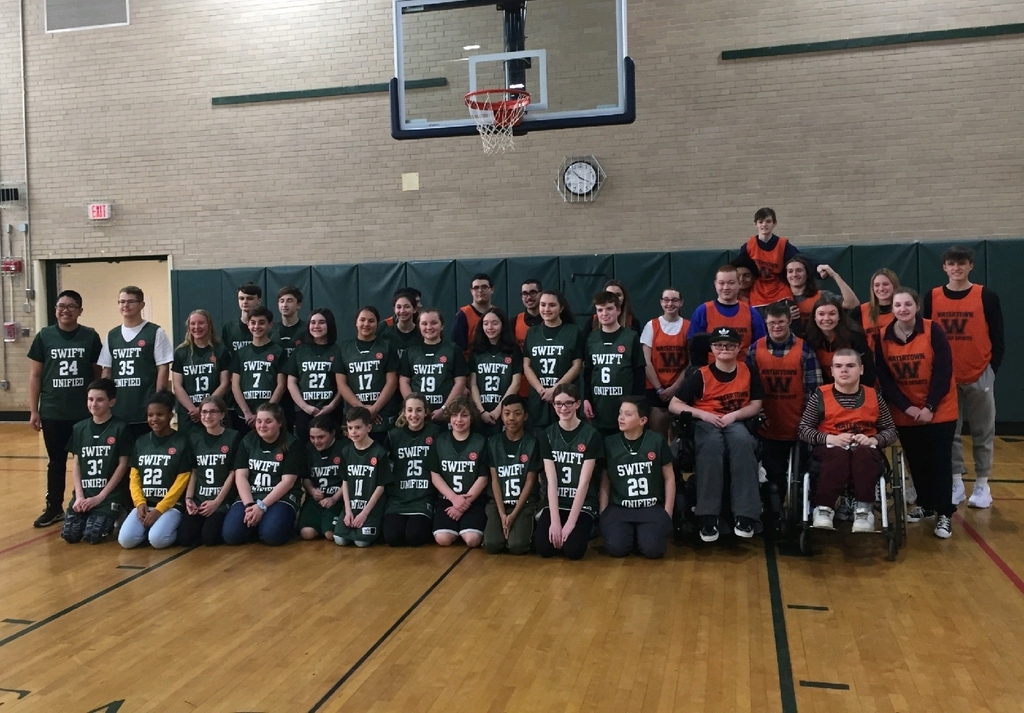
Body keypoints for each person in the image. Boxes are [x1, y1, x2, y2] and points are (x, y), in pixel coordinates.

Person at [924, 246, 1004, 509]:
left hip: (979, 373)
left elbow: (998, 338)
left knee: (983, 431)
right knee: (950, 433)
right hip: (945, 377)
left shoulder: (986, 296)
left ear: (971, 265)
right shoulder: (932, 297)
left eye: (961, 263)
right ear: (944, 267)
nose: (956, 268)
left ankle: (982, 484)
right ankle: (956, 482)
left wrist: (989, 370)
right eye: (951, 264)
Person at [875, 287, 958, 539]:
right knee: (916, 459)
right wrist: (907, 407)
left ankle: (944, 512)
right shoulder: (882, 336)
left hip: (939, 408)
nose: (902, 309)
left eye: (907, 304)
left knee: (939, 460)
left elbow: (943, 371)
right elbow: (885, 379)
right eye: (898, 305)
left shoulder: (933, 330)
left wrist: (929, 406)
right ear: (892, 309)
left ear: (917, 306)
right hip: (906, 409)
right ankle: (926, 503)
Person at [669, 327, 765, 543]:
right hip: (707, 422)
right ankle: (708, 515)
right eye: (719, 345)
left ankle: (745, 514)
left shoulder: (748, 370)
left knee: (742, 442)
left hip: (735, 419)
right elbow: (675, 404)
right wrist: (702, 414)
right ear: (712, 348)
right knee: (711, 445)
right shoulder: (700, 374)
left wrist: (735, 416)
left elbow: (756, 404)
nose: (724, 349)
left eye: (730, 345)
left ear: (738, 348)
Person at [798, 349, 898, 532]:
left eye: (850, 366)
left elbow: (891, 431)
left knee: (863, 452)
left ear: (861, 369)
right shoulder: (820, 395)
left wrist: (874, 440)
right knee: (837, 453)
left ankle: (863, 510)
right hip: (829, 451)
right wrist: (830, 438)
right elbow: (803, 430)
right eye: (839, 366)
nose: (844, 370)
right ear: (832, 371)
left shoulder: (874, 396)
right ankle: (824, 508)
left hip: (866, 452)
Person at [27, 289, 103, 527]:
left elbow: (97, 374)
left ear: (80, 311)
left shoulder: (90, 336)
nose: (65, 310)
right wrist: (34, 410)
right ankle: (54, 507)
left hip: (83, 413)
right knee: (56, 461)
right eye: (61, 306)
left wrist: (97, 406)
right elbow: (35, 375)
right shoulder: (44, 336)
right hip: (53, 411)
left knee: (88, 459)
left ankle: (88, 503)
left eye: (71, 306)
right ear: (55, 309)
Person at [746, 301, 821, 501]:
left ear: (789, 321)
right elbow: (747, 390)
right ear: (766, 323)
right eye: (772, 323)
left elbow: (814, 391)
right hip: (767, 426)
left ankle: (804, 510)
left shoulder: (805, 350)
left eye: (781, 322)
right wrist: (759, 416)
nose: (776, 326)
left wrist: (807, 422)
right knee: (772, 477)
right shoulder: (755, 350)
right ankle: (774, 511)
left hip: (798, 426)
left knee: (802, 476)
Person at [599, 397, 675, 559]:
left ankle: (641, 535)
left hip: (650, 507)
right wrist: (603, 511)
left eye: (627, 414)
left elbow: (669, 478)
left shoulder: (656, 441)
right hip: (620, 508)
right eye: (620, 413)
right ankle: (632, 534)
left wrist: (667, 512)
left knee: (653, 551)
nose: (621, 418)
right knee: (616, 549)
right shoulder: (609, 443)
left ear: (642, 420)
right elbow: (605, 480)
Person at [118, 391, 194, 549]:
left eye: (160, 414)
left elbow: (182, 480)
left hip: (170, 506)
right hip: (146, 504)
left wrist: (160, 509)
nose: (154, 419)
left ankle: (168, 527)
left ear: (170, 415)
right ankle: (150, 528)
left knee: (158, 541)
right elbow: (134, 476)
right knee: (126, 540)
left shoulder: (181, 442)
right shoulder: (141, 441)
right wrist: (139, 503)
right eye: (150, 415)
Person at [534, 384, 602, 560]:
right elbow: (551, 480)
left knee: (573, 551)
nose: (563, 408)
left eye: (568, 403)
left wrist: (571, 523)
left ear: (577, 404)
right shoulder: (547, 435)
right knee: (543, 549)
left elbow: (584, 482)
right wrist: (555, 522)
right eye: (558, 404)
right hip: (556, 502)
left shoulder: (591, 435)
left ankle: (587, 526)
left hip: (582, 504)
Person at [222, 402, 304, 546]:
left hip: (280, 497)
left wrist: (262, 506)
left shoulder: (292, 444)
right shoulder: (248, 440)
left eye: (268, 421)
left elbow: (287, 482)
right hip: (252, 496)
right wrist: (249, 505)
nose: (262, 426)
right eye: (259, 421)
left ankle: (276, 523)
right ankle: (258, 524)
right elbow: (240, 476)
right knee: (231, 536)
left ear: (279, 423)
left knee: (272, 536)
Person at [99, 286, 174, 441]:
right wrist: (104, 400)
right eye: (121, 302)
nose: (125, 305)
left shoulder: (155, 332)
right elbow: (106, 370)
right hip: (119, 408)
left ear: (142, 305)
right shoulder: (112, 335)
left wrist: (158, 401)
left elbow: (163, 368)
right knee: (121, 458)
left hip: (144, 407)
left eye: (130, 302)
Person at [61, 378, 130, 544]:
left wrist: (100, 497)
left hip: (108, 495)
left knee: (93, 535)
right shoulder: (79, 428)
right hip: (85, 493)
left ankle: (119, 511)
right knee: (70, 535)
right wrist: (79, 496)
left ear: (111, 402)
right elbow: (76, 463)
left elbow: (123, 465)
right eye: (90, 399)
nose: (94, 404)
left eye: (100, 400)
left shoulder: (121, 427)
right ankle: (89, 514)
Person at [427, 396, 490, 548]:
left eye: (464, 415)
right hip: (447, 498)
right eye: (455, 415)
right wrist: (454, 499)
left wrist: (464, 503)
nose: (459, 420)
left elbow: (483, 478)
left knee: (472, 539)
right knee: (443, 539)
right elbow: (435, 476)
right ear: (449, 418)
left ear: (472, 418)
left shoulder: (481, 442)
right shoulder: (440, 441)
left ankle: (465, 526)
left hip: (473, 500)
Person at [177, 396, 239, 546]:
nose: (207, 416)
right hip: (200, 499)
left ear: (222, 414)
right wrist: (189, 499)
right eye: (204, 412)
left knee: (210, 538)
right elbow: (194, 470)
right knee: (185, 538)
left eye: (213, 412)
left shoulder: (233, 437)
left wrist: (217, 502)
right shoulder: (194, 437)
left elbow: (233, 473)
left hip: (221, 500)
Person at [583, 291, 645, 437]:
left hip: (624, 403)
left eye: (609, 308)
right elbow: (588, 371)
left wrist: (636, 403)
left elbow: (639, 372)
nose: (604, 313)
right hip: (599, 404)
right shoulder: (591, 338)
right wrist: (586, 398)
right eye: (600, 309)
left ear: (618, 310)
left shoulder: (631, 337)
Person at [484, 395, 540, 555]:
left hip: (524, 503)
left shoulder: (532, 443)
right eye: (507, 413)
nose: (511, 418)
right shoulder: (492, 443)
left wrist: (513, 514)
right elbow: (494, 480)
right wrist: (502, 514)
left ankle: (527, 528)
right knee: (492, 545)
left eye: (517, 413)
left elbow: (530, 481)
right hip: (499, 503)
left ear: (525, 416)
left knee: (517, 547)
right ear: (501, 416)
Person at [384, 393, 441, 547]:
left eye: (418, 410)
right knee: (392, 538)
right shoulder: (393, 435)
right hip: (398, 498)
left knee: (414, 537)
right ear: (404, 412)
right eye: (409, 410)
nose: (414, 415)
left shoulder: (436, 433)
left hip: (423, 498)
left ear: (426, 412)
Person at [522, 289, 585, 430]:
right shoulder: (532, 333)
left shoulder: (573, 331)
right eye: (543, 305)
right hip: (539, 398)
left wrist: (555, 390)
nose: (546, 309)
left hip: (565, 398)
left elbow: (577, 365)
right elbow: (527, 365)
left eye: (552, 305)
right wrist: (541, 389)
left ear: (561, 308)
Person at [337, 306, 400, 443]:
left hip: (382, 415)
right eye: (362, 320)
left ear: (377, 324)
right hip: (355, 416)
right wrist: (362, 409)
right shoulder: (344, 348)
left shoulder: (387, 346)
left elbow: (392, 382)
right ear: (356, 322)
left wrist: (375, 408)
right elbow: (341, 384)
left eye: (371, 321)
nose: (366, 324)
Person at [334, 407, 392, 547]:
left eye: (358, 427)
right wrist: (347, 511)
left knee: (361, 542)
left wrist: (364, 513)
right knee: (339, 539)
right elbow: (345, 482)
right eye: (350, 428)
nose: (353, 432)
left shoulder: (379, 452)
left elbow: (380, 487)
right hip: (352, 506)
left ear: (369, 427)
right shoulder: (346, 451)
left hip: (369, 507)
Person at [285, 308, 344, 442]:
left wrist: (332, 406)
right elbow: (291, 382)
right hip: (304, 411)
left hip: (330, 411)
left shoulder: (338, 350)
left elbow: (343, 384)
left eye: (321, 322)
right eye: (313, 322)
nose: (316, 326)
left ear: (329, 324)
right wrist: (304, 406)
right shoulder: (300, 351)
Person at [399, 308, 468, 422]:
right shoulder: (410, 351)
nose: (429, 327)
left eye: (434, 323)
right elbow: (403, 382)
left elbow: (460, 382)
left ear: (442, 325)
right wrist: (414, 409)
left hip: (446, 413)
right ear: (419, 326)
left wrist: (444, 409)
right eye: (424, 323)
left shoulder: (453, 350)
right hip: (418, 416)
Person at [171, 310, 230, 434]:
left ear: (209, 325)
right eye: (193, 324)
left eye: (201, 323)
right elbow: (177, 385)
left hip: (213, 412)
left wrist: (204, 409)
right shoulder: (181, 352)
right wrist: (193, 409)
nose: (196, 327)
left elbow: (224, 383)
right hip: (189, 413)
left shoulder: (220, 350)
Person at [642, 287, 689, 441]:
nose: (670, 303)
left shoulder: (688, 326)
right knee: (657, 435)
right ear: (661, 302)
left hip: (680, 387)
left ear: (681, 302)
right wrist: (660, 389)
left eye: (674, 300)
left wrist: (675, 387)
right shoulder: (651, 325)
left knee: (680, 437)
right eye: (666, 300)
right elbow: (646, 361)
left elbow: (690, 363)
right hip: (656, 389)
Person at [230, 306, 286, 435]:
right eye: (253, 323)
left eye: (261, 322)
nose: (257, 326)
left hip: (269, 416)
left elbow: (281, 385)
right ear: (248, 325)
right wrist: (247, 412)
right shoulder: (241, 353)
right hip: (245, 416)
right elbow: (235, 385)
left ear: (270, 325)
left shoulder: (278, 351)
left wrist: (264, 414)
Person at [468, 307, 523, 437]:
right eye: (485, 323)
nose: (490, 327)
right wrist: (481, 411)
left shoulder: (513, 350)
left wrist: (499, 410)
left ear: (503, 325)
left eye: (495, 323)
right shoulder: (476, 351)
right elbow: (473, 384)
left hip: (504, 411)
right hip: (481, 410)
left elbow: (516, 383)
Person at [687, 265, 767, 353]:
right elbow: (694, 346)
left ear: (739, 284)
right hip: (711, 365)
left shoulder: (751, 312)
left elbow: (760, 346)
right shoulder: (703, 311)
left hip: (743, 365)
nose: (726, 287)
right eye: (721, 283)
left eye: (731, 283)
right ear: (715, 284)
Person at [805, 294, 876, 386]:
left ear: (839, 316)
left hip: (855, 390)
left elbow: (868, 371)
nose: (826, 318)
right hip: (826, 392)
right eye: (821, 314)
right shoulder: (809, 339)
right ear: (814, 317)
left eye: (832, 313)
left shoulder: (855, 337)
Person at [738, 207, 800, 308]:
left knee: (792, 315)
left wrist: (817, 267)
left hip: (779, 288)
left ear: (774, 223)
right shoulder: (749, 245)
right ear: (755, 224)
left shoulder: (783, 244)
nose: (764, 224)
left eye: (768, 221)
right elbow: (738, 268)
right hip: (758, 290)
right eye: (760, 222)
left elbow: (801, 260)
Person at [297, 415, 346, 541]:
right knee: (306, 533)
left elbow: (349, 480)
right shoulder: (308, 449)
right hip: (315, 499)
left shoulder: (345, 448)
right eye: (312, 437)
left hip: (338, 499)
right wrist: (312, 491)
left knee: (330, 534)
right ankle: (320, 523)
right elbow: (306, 478)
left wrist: (334, 498)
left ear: (333, 433)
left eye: (321, 437)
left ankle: (327, 524)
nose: (316, 441)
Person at [785, 256, 858, 329]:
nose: (794, 274)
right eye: (790, 271)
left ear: (807, 274)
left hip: (818, 339)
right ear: (786, 275)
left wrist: (835, 275)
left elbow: (852, 304)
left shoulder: (822, 296)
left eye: (799, 270)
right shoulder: (780, 299)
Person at [452, 273, 494, 358]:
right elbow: (457, 349)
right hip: (470, 366)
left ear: (492, 289)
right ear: (471, 291)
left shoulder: (498, 313)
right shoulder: (463, 315)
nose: (480, 290)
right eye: (476, 288)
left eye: (484, 287)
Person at [857, 268, 899, 352]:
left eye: (885, 284)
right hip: (871, 361)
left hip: (895, 360)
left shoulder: (903, 310)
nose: (881, 288)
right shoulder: (861, 310)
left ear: (894, 285)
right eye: (876, 285)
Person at [377, 288, 422, 360]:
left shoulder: (423, 329)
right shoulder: (385, 330)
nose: (420, 305)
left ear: (414, 309)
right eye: (399, 307)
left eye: (407, 306)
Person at [222, 282, 262, 354]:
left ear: (259, 300)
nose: (245, 302)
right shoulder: (229, 328)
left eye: (250, 298)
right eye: (241, 298)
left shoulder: (265, 327)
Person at [273, 286, 307, 362]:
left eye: (289, 301)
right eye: (282, 301)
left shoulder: (307, 330)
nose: (284, 305)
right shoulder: (271, 330)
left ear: (299, 305)